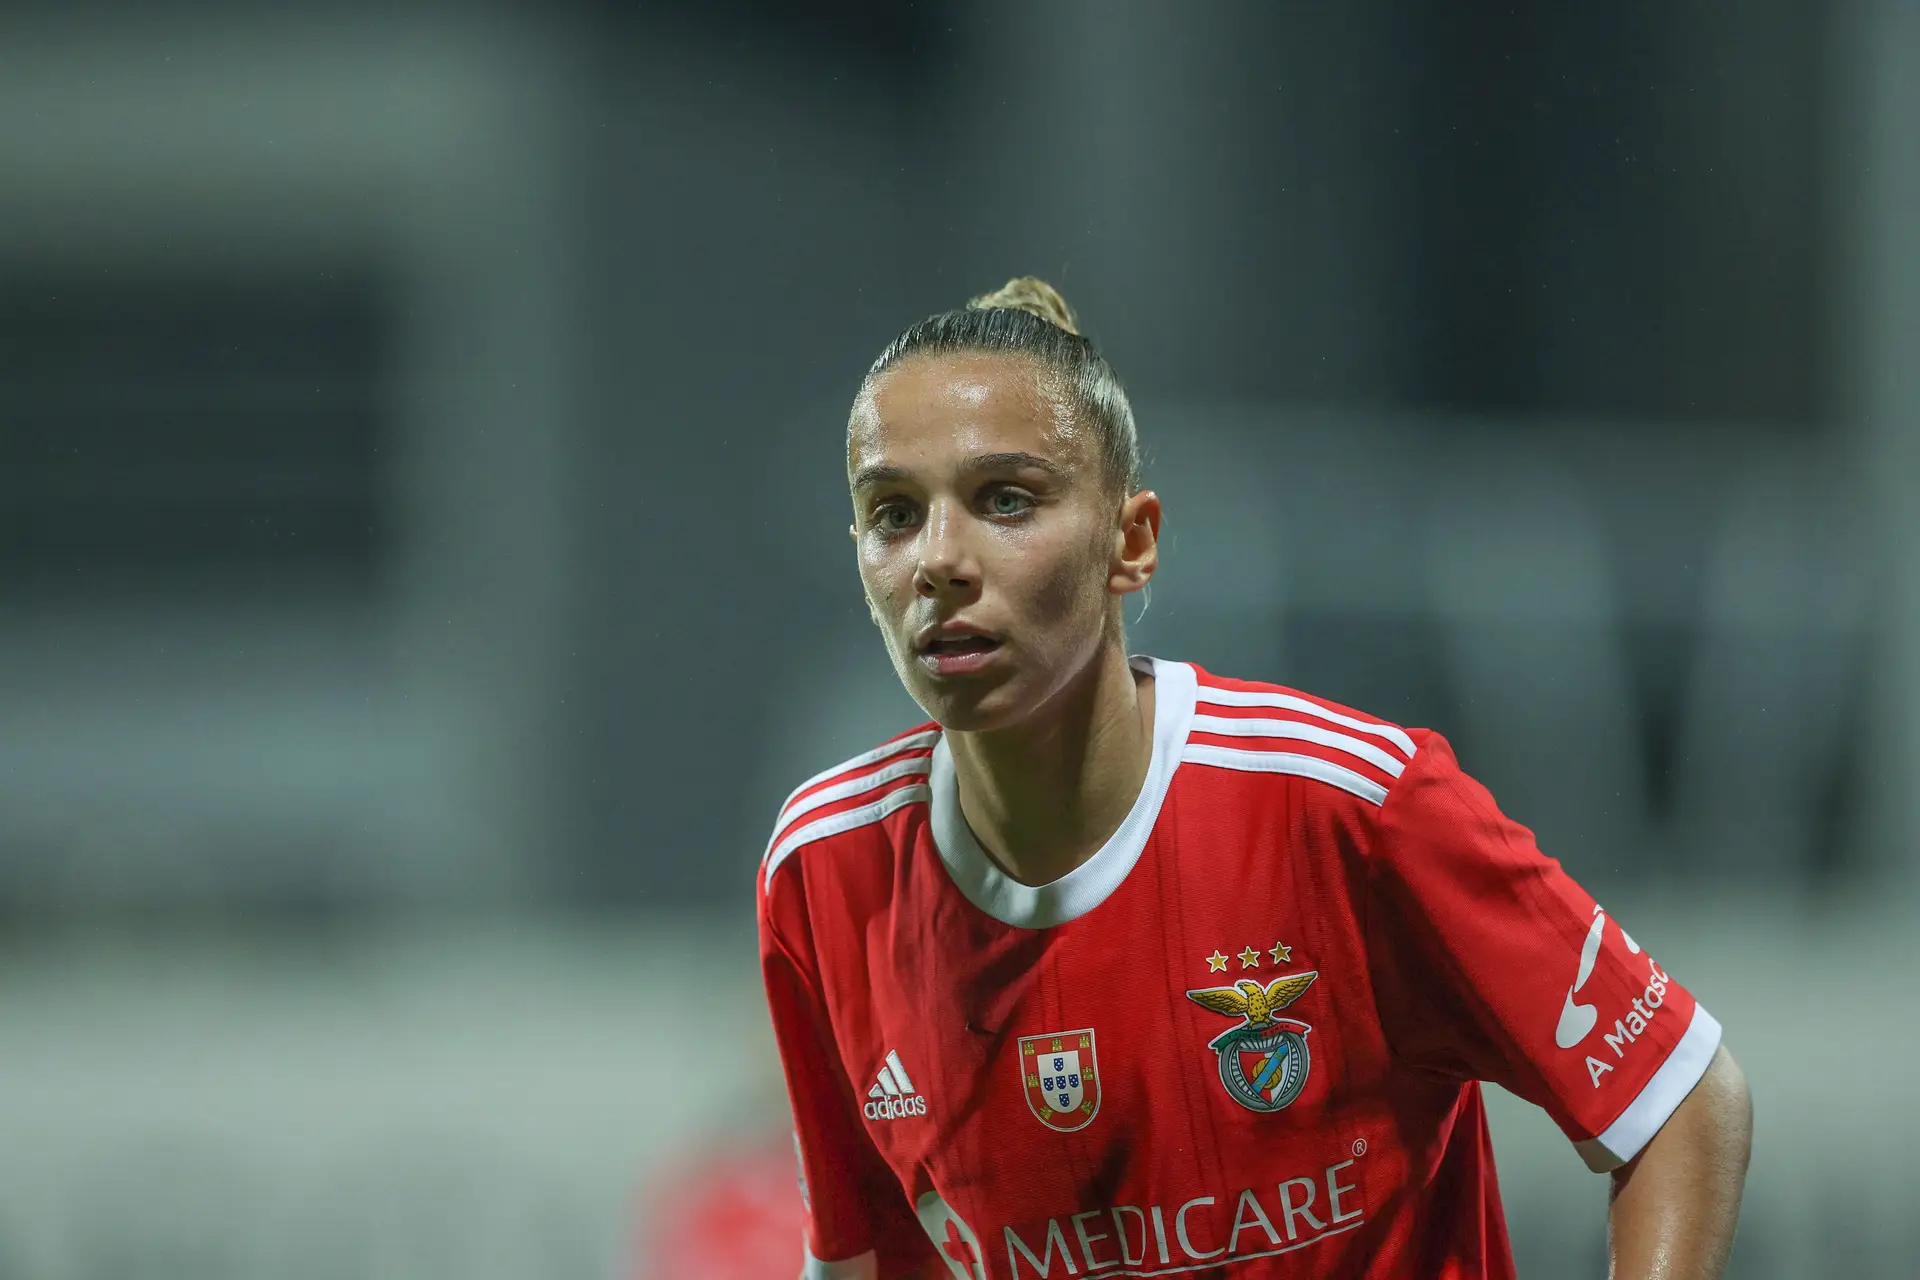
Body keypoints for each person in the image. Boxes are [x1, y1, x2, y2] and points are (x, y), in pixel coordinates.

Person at [755, 278, 1751, 1280]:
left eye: (1005, 499)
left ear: (1130, 541)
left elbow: (1683, 1101)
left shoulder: (1350, 805)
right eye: (892, 512)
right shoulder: (824, 870)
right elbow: (869, 1258)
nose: (938, 559)